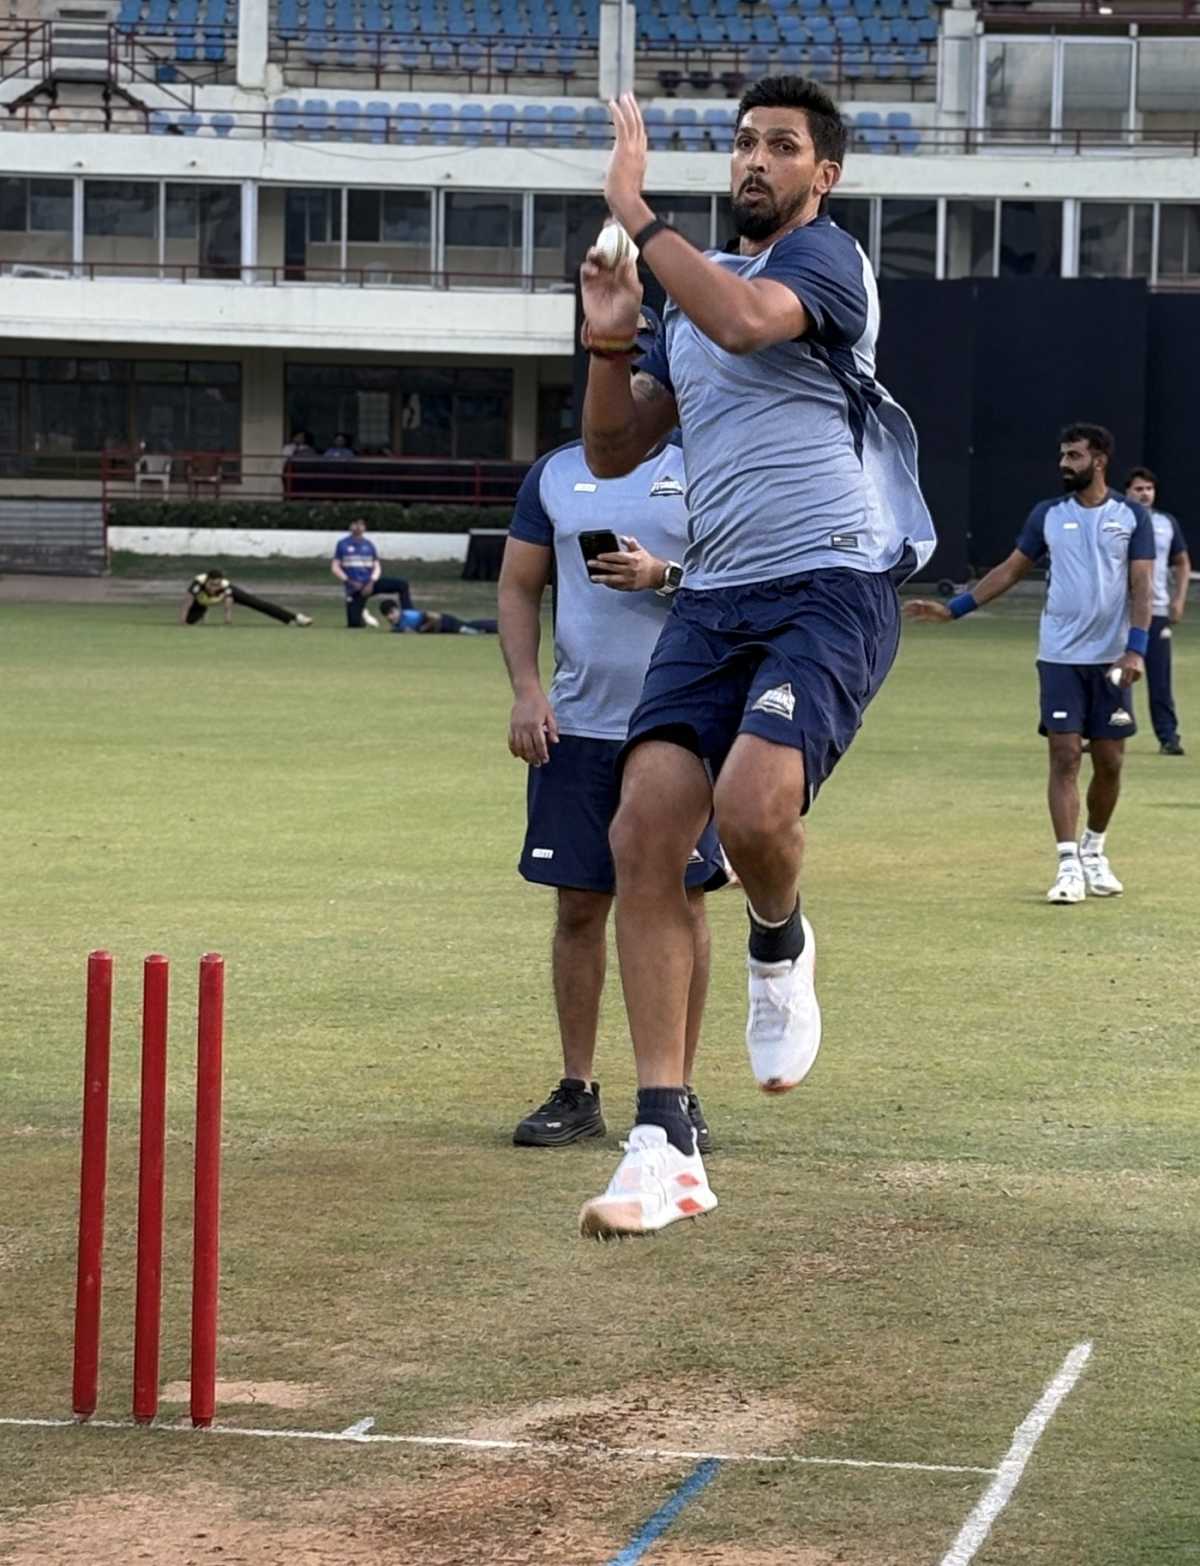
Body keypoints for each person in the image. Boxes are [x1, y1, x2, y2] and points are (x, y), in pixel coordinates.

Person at [573, 77, 935, 1238]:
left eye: (781, 146)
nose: (755, 161)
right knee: (643, 831)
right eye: (743, 143)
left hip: (830, 582)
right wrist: (609, 331)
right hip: (714, 597)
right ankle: (662, 1144)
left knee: (751, 810)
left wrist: (636, 211)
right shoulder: (689, 295)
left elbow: (743, 321)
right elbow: (615, 446)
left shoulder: (824, 262)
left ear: (823, 175)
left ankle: (778, 939)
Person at [499, 395, 724, 1155]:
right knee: (577, 906)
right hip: (578, 726)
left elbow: (741, 582)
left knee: (684, 900)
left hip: (679, 723)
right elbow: (518, 587)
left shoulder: (706, 466)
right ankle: (577, 1088)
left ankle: (676, 1090)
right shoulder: (555, 475)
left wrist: (662, 575)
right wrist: (527, 691)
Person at [906, 424, 1154, 904]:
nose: (1064, 463)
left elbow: (1142, 585)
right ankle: (1067, 865)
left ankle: (1094, 850)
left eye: (1074, 455)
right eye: (1063, 455)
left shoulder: (1131, 516)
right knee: (1064, 754)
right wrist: (954, 609)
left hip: (1111, 658)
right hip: (1059, 656)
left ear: (1099, 461)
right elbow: (1010, 570)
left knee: (1110, 761)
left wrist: (1136, 649)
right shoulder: (1048, 515)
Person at [1124, 467, 1190, 756]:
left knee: (1160, 678)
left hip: (1156, 609)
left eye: (1149, 489)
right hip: (1122, 612)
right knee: (1116, 676)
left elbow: (1182, 562)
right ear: (1127, 492)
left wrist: (1179, 599)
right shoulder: (1117, 520)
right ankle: (1107, 733)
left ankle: (1168, 737)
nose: (1144, 494)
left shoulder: (1166, 523)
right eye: (1138, 489)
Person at [180, 568, 312, 628]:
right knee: (190, 621)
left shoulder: (225, 586)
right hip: (200, 600)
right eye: (212, 584)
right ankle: (202, 612)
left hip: (219, 597)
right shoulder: (197, 584)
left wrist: (227, 619)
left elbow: (228, 601)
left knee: (257, 603)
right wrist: (183, 621)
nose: (215, 587)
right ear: (207, 581)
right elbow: (187, 603)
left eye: (218, 584)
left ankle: (295, 618)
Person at [331, 517, 382, 628]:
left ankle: (408, 615)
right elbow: (335, 567)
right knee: (353, 624)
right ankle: (362, 614)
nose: (358, 527)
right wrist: (349, 581)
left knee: (401, 585)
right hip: (354, 587)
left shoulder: (369, 545)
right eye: (355, 524)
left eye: (361, 524)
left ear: (365, 528)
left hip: (369, 583)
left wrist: (372, 582)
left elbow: (377, 567)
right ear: (350, 526)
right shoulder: (342, 544)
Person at [379, 600, 498, 635]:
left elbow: (435, 617)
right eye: (387, 615)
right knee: (470, 626)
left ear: (398, 609)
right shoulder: (398, 623)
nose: (390, 617)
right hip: (442, 627)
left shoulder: (409, 615)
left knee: (472, 629)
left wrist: (422, 629)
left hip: (445, 622)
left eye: (392, 612)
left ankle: (497, 626)